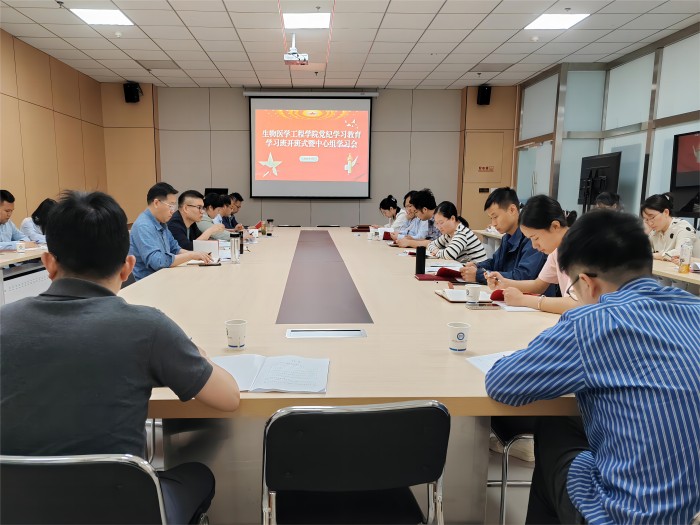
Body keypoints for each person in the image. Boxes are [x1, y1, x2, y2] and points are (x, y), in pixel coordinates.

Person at [0, 191, 241, 524]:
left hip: (15, 508)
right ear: (128, 267)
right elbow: (229, 398)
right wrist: (197, 354)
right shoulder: (148, 327)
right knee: (199, 473)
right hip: (120, 508)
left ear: (48, 263)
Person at [485, 210, 700, 525]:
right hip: (692, 513)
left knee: (554, 428)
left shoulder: (592, 322)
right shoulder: (694, 309)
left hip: (627, 516)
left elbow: (502, 384)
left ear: (587, 283)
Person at [487, 195, 578, 314]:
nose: (534, 245)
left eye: (535, 238)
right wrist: (504, 283)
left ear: (555, 226)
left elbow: (576, 304)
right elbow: (538, 285)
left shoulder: (580, 249)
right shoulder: (557, 251)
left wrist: (523, 300)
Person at [461, 188, 546, 284]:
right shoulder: (507, 237)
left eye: (495, 217)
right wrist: (477, 266)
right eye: (491, 218)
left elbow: (522, 276)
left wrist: (479, 275)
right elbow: (495, 263)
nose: (493, 223)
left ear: (512, 210)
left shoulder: (532, 238)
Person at [129, 183, 213, 281]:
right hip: (149, 282)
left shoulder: (161, 222)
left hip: (164, 277)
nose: (173, 211)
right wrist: (191, 255)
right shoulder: (144, 226)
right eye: (170, 206)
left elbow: (175, 248)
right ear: (156, 203)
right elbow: (157, 262)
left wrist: (197, 255)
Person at [641, 192, 697, 260]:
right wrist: (645, 234)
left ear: (666, 212)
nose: (650, 223)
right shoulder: (653, 231)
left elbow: (681, 253)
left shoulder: (683, 227)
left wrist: (652, 255)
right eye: (646, 219)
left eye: (652, 217)